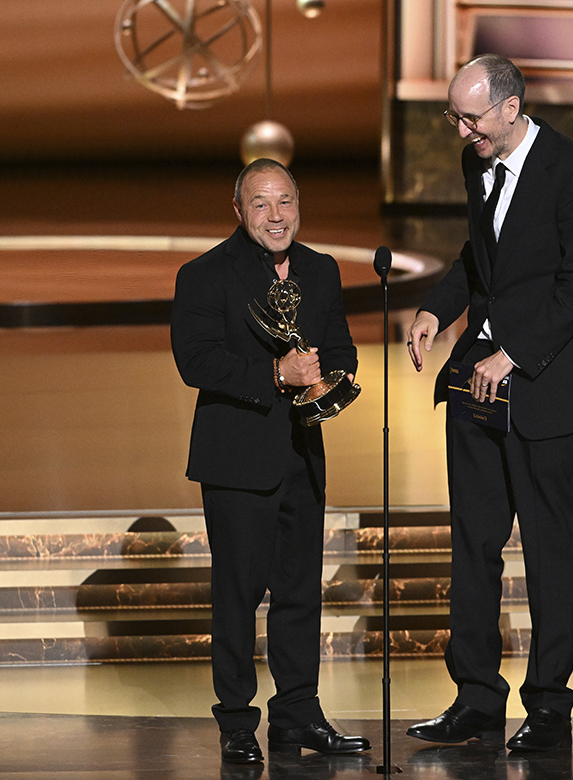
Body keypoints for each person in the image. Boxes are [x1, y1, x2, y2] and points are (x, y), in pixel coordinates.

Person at [405, 54, 573, 752]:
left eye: (472, 118)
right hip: (477, 387)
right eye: (455, 118)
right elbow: (481, 255)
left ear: (511, 106)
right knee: (473, 541)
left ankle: (548, 706)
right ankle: (476, 697)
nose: (464, 132)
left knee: (552, 547)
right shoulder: (479, 164)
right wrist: (439, 309)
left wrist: (515, 350)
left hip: (546, 391)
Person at [171, 158, 370, 765]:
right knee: (237, 594)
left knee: (299, 592)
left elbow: (339, 344)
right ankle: (236, 720)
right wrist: (276, 374)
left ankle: (297, 714)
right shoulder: (204, 275)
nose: (276, 215)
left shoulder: (320, 270)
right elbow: (197, 362)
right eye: (261, 204)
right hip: (236, 461)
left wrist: (329, 379)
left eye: (285, 201)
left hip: (301, 457)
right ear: (239, 211)